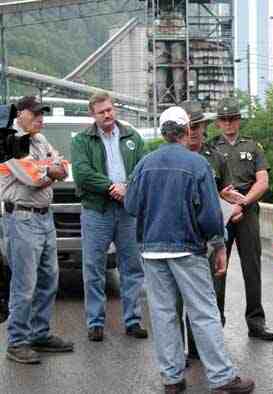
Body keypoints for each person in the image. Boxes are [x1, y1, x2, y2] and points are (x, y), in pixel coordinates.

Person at [124, 105, 255, 394]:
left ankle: (172, 379)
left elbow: (131, 205)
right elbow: (210, 214)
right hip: (187, 249)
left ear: (162, 133)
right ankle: (222, 378)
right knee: (204, 312)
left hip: (151, 250)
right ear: (185, 131)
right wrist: (219, 245)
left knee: (163, 314)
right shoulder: (197, 164)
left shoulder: (145, 163)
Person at [1, 96, 73, 364]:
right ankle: (17, 341)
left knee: (48, 279)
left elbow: (64, 168)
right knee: (25, 284)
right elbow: (33, 178)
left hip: (44, 218)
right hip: (22, 219)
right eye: (35, 114)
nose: (40, 118)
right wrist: (48, 169)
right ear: (20, 114)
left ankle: (39, 334)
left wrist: (51, 169)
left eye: (42, 114)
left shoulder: (39, 140)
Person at [71, 92, 147, 342]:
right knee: (94, 267)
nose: (108, 114)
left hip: (127, 211)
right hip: (97, 211)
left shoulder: (131, 137)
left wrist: (126, 186)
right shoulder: (82, 140)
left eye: (110, 109)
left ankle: (133, 320)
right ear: (92, 114)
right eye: (102, 111)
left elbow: (142, 169)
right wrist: (111, 187)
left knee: (132, 266)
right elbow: (82, 173)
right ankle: (95, 322)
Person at [178, 100, 244, 359]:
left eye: (199, 125)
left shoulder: (216, 157)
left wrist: (230, 203)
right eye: (190, 126)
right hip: (181, 238)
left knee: (212, 294)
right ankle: (186, 350)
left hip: (209, 236)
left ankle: (205, 348)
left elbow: (229, 197)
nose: (195, 131)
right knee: (180, 298)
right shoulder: (172, 154)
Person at [209, 97, 273, 340]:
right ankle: (216, 322)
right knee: (218, 267)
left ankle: (256, 322)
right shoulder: (210, 148)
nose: (229, 124)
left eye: (233, 119)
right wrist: (226, 204)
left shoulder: (253, 147)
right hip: (220, 210)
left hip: (247, 209)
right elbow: (205, 184)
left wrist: (243, 204)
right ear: (218, 123)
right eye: (224, 120)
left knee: (252, 266)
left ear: (239, 120)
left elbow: (263, 181)